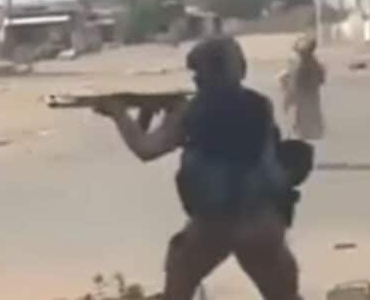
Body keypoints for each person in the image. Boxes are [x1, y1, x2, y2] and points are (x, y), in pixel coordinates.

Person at [93, 36, 302, 300]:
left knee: (179, 281)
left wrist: (119, 114)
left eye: (198, 72)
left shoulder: (193, 111)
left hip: (215, 222)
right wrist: (150, 112)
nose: (195, 79)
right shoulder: (260, 105)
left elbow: (146, 149)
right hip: (262, 217)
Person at [278, 35, 326, 140]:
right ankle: (308, 130)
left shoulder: (304, 63)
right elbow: (321, 79)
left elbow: (295, 81)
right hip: (309, 93)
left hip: (304, 93)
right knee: (309, 111)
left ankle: (304, 131)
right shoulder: (312, 62)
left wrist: (289, 95)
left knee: (304, 111)